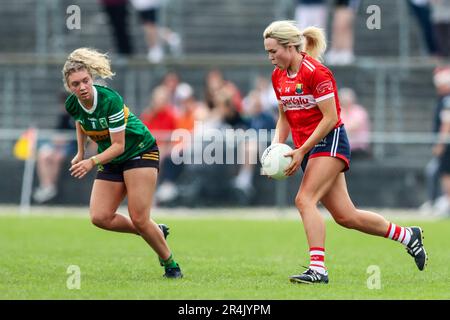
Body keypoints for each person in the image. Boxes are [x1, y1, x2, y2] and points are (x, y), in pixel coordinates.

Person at [263, 20, 427, 284]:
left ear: (291, 47)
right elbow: (284, 118)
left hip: (330, 141)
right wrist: (275, 150)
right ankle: (408, 236)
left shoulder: (317, 73)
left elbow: (330, 118)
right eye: (267, 52)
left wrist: (302, 149)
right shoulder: (278, 76)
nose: (270, 58)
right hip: (308, 148)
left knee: (304, 200)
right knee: (346, 216)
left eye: (274, 51)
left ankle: (318, 269)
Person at [62, 47, 182, 278]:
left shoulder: (110, 100)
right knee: (100, 217)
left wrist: (90, 161)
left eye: (85, 80)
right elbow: (81, 121)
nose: (82, 87)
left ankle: (171, 264)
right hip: (112, 157)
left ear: (92, 78)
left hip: (139, 150)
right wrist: (80, 151)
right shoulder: (73, 103)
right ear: (70, 87)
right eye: (76, 84)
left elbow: (119, 144)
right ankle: (154, 231)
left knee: (139, 217)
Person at [33, 95, 77, 203]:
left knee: (57, 157)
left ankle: (51, 187)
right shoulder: (63, 116)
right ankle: (47, 186)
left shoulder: (77, 116)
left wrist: (65, 140)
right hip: (57, 145)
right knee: (44, 155)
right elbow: (57, 133)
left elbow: (77, 135)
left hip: (71, 146)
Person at [338, 87, 371, 159]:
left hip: (358, 150)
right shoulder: (338, 111)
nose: (346, 101)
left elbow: (353, 127)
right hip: (341, 150)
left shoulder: (359, 111)